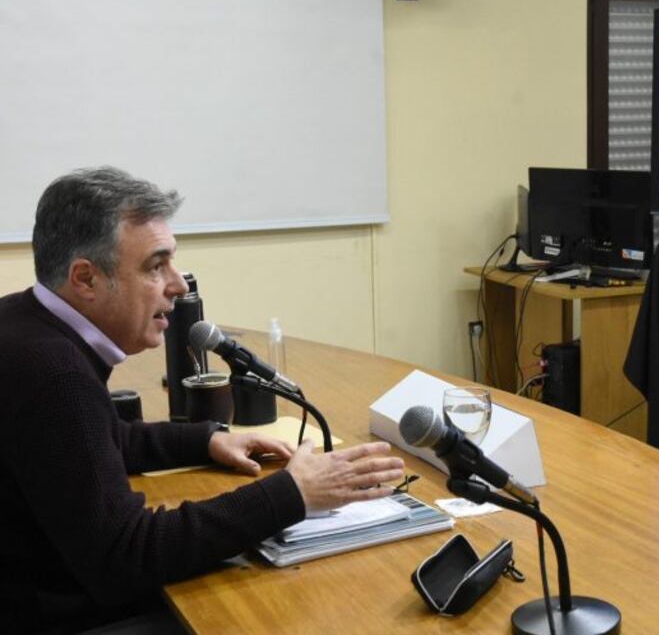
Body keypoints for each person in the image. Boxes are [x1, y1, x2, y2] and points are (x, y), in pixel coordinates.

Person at [0, 167, 405, 633]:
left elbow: (92, 442)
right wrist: (291, 494)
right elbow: (125, 556)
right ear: (86, 279)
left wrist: (206, 440)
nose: (179, 285)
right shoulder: (56, 374)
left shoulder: (21, 321)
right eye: (156, 266)